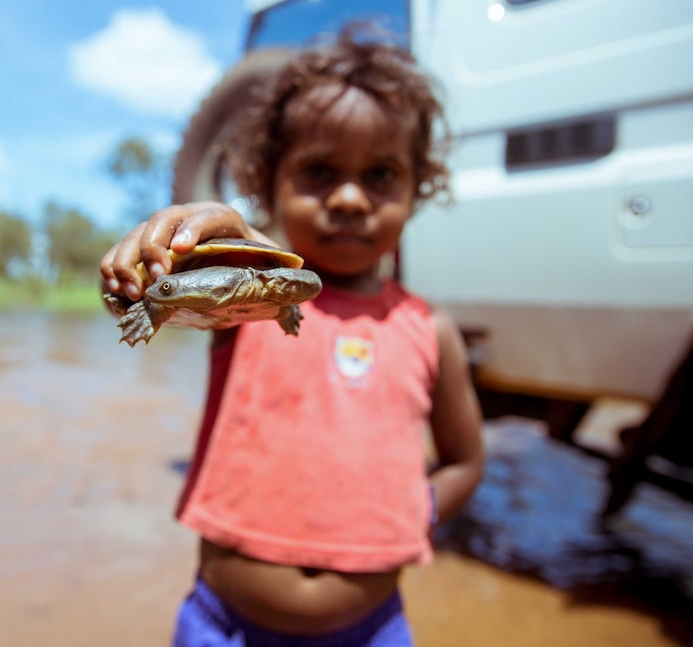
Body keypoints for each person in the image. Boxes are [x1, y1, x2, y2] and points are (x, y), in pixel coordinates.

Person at [100, 28, 484, 647]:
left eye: (381, 173)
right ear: (268, 182)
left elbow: (466, 460)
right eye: (319, 171)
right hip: (226, 626)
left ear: (418, 189)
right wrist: (154, 266)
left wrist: (419, 506)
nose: (351, 198)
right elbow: (150, 299)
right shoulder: (250, 302)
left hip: (374, 629)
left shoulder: (430, 330)